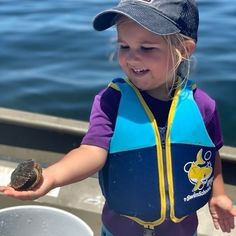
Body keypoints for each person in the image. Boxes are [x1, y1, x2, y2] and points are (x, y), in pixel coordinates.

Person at [1, 0, 236, 235]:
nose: (132, 58)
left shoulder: (202, 105)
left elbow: (208, 154)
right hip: (119, 229)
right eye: (124, 46)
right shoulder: (111, 101)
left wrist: (218, 194)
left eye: (147, 48)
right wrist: (52, 176)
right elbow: (92, 150)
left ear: (184, 50)